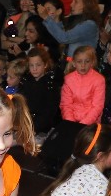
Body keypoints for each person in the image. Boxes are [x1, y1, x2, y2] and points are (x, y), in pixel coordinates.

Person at [43, 44, 106, 174]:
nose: (83, 65)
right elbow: (65, 104)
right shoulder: (69, 79)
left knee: (84, 145)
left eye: (86, 62)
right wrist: (70, 123)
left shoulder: (99, 80)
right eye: (79, 62)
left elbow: (97, 107)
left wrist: (82, 124)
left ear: (92, 62)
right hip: (70, 121)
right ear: (74, 63)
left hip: (90, 123)